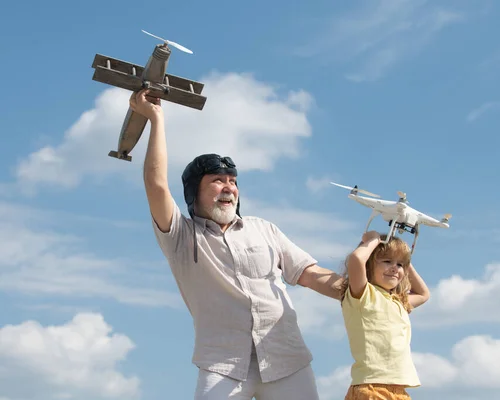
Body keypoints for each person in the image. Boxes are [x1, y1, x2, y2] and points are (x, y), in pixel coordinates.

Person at [129, 89, 343, 400]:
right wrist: (156, 119)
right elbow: (156, 183)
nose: (228, 186)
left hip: (287, 359)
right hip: (222, 364)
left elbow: (310, 274)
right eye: (217, 180)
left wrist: (362, 291)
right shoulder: (181, 237)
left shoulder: (264, 229)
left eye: (233, 181)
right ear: (194, 193)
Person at [339, 230, 430, 400]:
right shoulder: (364, 295)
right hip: (372, 387)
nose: (395, 268)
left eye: (400, 265)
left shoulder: (398, 302)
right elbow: (356, 260)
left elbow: (424, 294)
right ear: (369, 265)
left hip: (399, 390)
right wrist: (374, 240)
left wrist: (404, 258)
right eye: (387, 261)